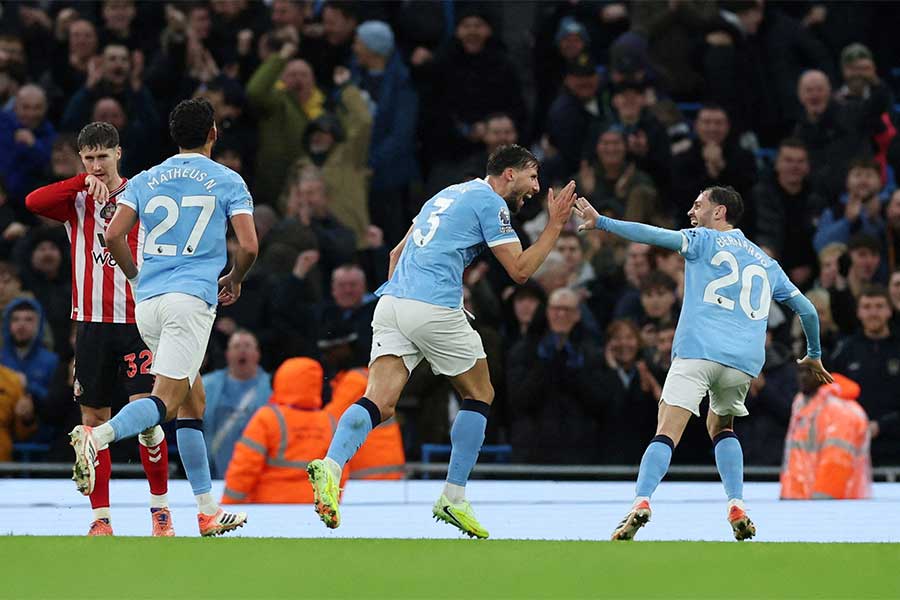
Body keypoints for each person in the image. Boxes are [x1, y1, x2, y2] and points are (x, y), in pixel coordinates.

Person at [306, 144, 577, 538]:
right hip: (432, 306)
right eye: (532, 176)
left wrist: (417, 305)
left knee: (379, 402)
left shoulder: (447, 193)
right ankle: (453, 496)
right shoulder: (491, 203)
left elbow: (397, 253)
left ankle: (331, 466)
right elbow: (519, 270)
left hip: (392, 302)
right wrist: (555, 224)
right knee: (480, 393)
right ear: (508, 175)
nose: (535, 187)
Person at [574, 185, 832, 541]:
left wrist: (602, 221)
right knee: (722, 427)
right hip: (743, 362)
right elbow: (807, 309)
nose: (691, 212)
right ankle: (736, 502)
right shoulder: (766, 262)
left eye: (698, 205)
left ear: (719, 212)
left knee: (667, 429)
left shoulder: (703, 241)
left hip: (698, 350)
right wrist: (815, 354)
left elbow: (652, 235)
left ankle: (641, 501)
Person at [67, 97, 258, 537]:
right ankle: (97, 438)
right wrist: (234, 277)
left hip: (148, 304)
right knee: (167, 403)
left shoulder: (148, 178)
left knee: (193, 402)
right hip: (188, 301)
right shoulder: (229, 180)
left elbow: (113, 234)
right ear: (213, 133)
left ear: (175, 137)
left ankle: (208, 511)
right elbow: (248, 246)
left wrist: (135, 278)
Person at [25, 121, 172, 537]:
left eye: (102, 157)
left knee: (148, 419)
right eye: (88, 158)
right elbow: (33, 201)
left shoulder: (141, 193)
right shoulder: (76, 201)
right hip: (90, 325)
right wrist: (78, 182)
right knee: (92, 421)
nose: (96, 165)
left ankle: (160, 511)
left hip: (136, 322)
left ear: (118, 154)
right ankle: (101, 519)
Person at [222, 357, 348, 504]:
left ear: (281, 381)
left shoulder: (267, 418)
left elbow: (244, 468)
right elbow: (339, 473)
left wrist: (229, 505)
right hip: (315, 512)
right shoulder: (331, 423)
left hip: (270, 510)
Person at [780, 369, 871, 500]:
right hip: (800, 501)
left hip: (831, 506)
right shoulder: (803, 403)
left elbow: (836, 462)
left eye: (809, 372)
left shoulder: (839, 410)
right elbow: (796, 457)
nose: (803, 376)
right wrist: (788, 494)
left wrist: (821, 505)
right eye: (800, 371)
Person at [202, 330, 271, 478]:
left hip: (259, 471)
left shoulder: (272, 387)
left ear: (257, 354)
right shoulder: (207, 385)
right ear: (227, 354)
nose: (242, 350)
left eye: (247, 345)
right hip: (213, 472)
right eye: (236, 346)